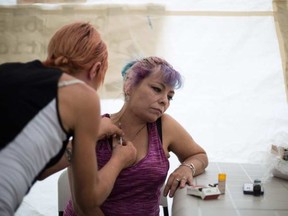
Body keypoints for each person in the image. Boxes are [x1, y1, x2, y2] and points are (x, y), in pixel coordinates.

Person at [0, 22, 137, 216]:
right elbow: (88, 200)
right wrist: (119, 160)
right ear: (95, 69)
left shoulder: (7, 70)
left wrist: (90, 136)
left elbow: (37, 170)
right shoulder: (83, 96)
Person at [64, 56, 209, 216]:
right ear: (129, 86)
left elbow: (199, 155)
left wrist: (187, 168)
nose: (164, 101)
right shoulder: (95, 128)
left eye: (170, 96)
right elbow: (83, 207)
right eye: (157, 89)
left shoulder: (164, 126)